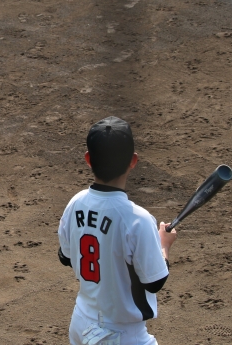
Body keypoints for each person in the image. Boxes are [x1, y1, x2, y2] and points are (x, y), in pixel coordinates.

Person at [57, 117, 177, 345]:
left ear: (88, 159)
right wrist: (164, 245)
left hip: (81, 322)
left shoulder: (75, 203)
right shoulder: (138, 219)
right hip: (120, 335)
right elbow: (154, 282)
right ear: (133, 161)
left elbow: (65, 257)